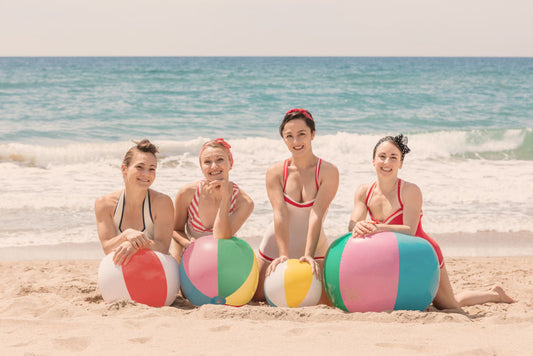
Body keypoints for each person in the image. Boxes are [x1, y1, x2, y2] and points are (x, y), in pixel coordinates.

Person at [349, 134, 515, 309]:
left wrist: (376, 228)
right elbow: (353, 224)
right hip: (392, 255)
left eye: (393, 157)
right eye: (382, 156)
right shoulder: (364, 192)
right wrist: (358, 225)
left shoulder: (410, 191)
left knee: (449, 304)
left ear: (401, 164)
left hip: (423, 252)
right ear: (373, 161)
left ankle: (495, 294)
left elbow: (409, 231)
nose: (387, 162)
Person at [254, 109, 339, 303]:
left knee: (324, 300)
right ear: (283, 138)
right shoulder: (275, 172)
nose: (296, 142)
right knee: (258, 296)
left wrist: (308, 255)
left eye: (302, 134)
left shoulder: (328, 171)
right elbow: (280, 214)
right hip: (276, 244)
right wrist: (283, 256)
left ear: (313, 134)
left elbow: (316, 214)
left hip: (314, 245)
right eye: (289, 136)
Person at [170, 138, 254, 263]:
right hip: (188, 258)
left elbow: (221, 237)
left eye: (220, 159)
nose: (214, 166)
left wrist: (226, 198)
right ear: (201, 167)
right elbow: (176, 229)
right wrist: (187, 243)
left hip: (223, 260)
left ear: (231, 163)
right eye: (207, 162)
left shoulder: (244, 202)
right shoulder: (187, 193)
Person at [95, 139, 174, 266]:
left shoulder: (162, 202)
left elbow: (163, 247)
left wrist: (133, 244)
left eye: (152, 169)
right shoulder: (104, 204)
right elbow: (107, 248)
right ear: (124, 169)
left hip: (157, 271)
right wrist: (126, 234)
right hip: (119, 272)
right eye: (140, 167)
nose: (146, 174)